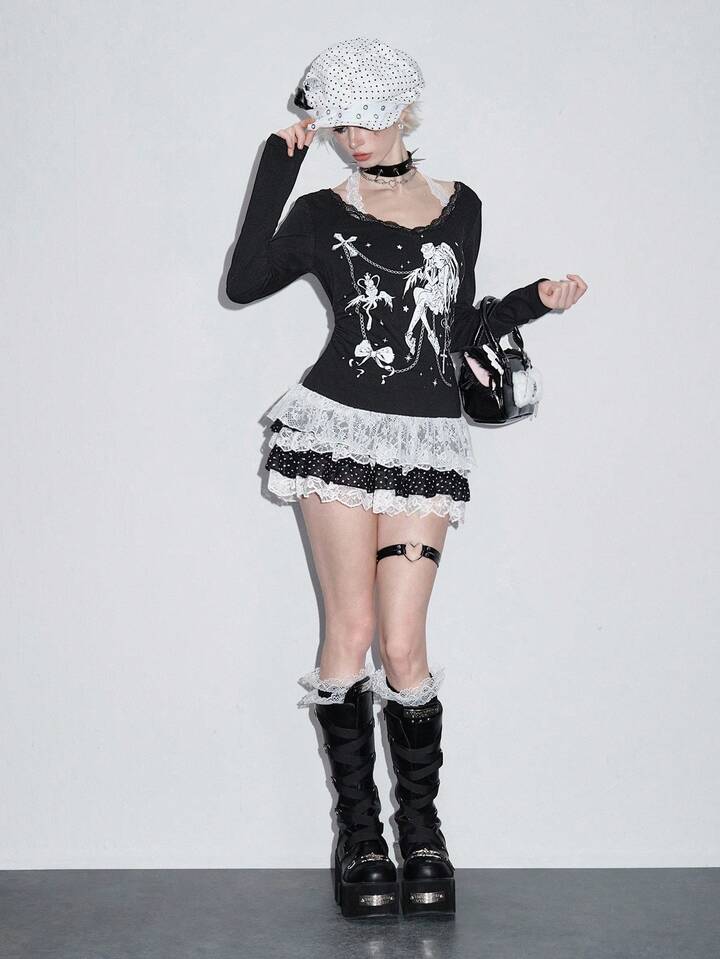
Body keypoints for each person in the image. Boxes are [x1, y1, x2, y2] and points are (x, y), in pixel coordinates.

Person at [225, 37, 586, 919]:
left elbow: (455, 329)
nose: (354, 137)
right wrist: (278, 166)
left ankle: (422, 832)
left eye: (367, 119)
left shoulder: (462, 206)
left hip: (425, 442)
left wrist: (533, 302)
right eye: (340, 123)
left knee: (404, 646)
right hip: (335, 434)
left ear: (402, 111)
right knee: (348, 634)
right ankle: (361, 838)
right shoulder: (320, 212)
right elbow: (243, 281)